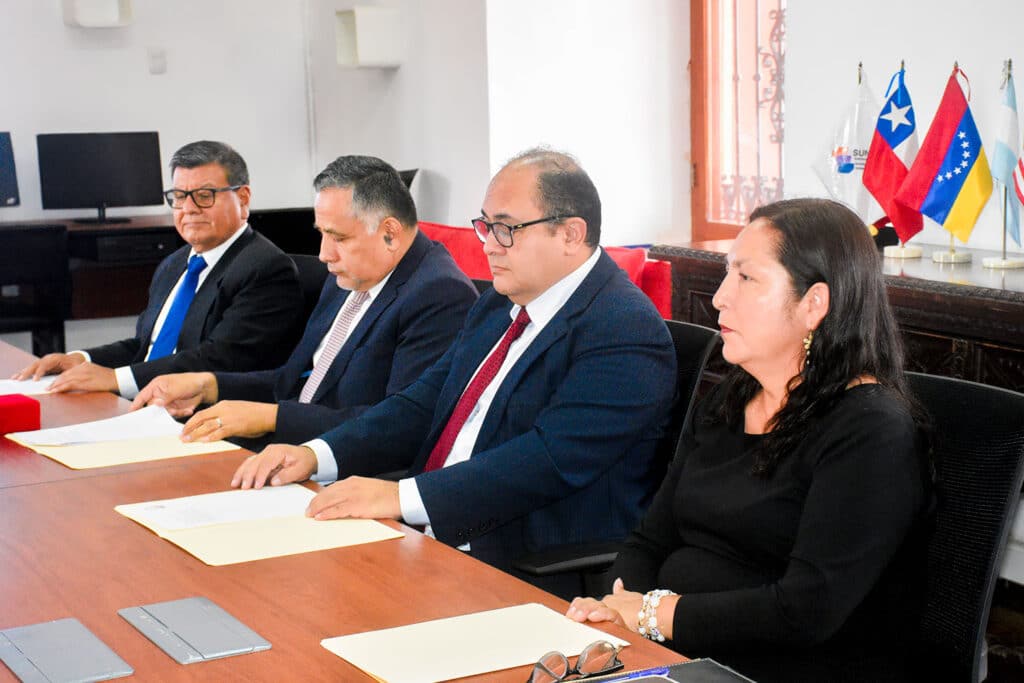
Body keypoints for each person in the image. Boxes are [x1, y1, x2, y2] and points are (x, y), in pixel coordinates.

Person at [230, 148, 677, 596]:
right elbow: (423, 402)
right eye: (485, 226)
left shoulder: (623, 328)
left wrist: (400, 497)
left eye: (506, 229)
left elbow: (549, 460)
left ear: (570, 234)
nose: (488, 245)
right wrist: (317, 453)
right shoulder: (500, 303)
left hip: (522, 564)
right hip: (431, 534)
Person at [565, 198, 933, 682]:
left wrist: (653, 615)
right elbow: (651, 539)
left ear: (813, 304)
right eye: (726, 274)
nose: (719, 297)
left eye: (746, 278)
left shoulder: (872, 429)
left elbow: (807, 609)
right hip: (674, 659)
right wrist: (616, 608)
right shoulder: (729, 401)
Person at [131, 155, 478, 448]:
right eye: (322, 234)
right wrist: (208, 384)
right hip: (290, 449)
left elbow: (398, 426)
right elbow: (293, 381)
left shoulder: (439, 296)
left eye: (338, 237)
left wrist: (270, 417)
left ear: (389, 232)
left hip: (347, 474)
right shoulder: (347, 275)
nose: (324, 255)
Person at [13, 140, 303, 397]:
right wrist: (83, 359)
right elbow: (145, 347)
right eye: (178, 196)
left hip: (201, 415)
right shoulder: (175, 263)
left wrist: (115, 379)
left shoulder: (266, 269)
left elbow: (219, 359)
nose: (188, 209)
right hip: (148, 402)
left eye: (204, 195)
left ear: (242, 198)